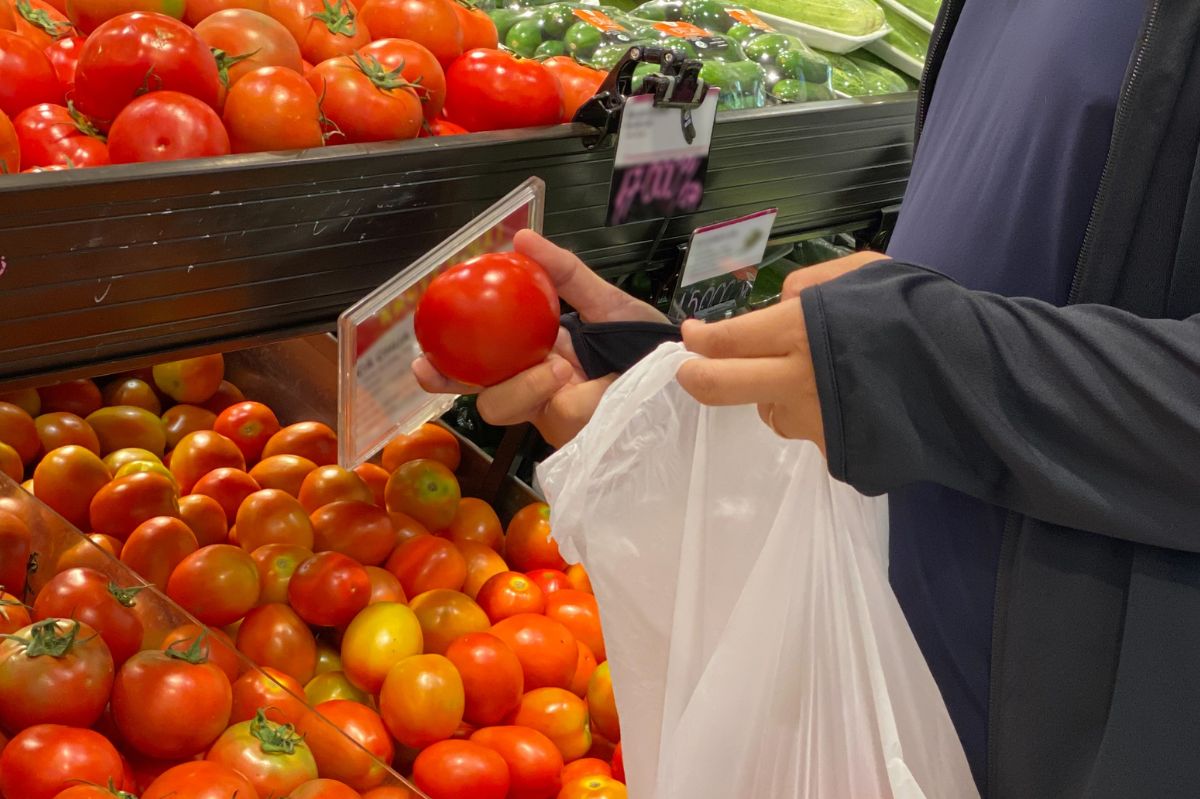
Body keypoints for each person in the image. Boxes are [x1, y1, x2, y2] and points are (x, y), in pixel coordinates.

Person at [418, 2, 1200, 796]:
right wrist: (682, 379)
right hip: (885, 678)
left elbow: (954, 350)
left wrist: (915, 359)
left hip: (1076, 739)